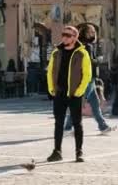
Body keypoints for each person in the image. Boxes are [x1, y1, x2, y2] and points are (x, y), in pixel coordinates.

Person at [45, 25, 92, 163]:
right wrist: (51, 89)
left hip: (74, 94)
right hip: (59, 93)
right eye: (63, 34)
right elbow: (50, 71)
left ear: (75, 37)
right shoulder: (56, 52)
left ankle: (79, 152)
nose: (64, 37)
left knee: (77, 123)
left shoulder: (82, 53)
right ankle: (57, 151)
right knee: (58, 123)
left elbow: (87, 74)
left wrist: (79, 91)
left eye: (68, 35)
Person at [64, 24, 115, 135]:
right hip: (87, 79)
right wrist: (99, 60)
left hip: (87, 78)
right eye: (92, 32)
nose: (94, 34)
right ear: (87, 33)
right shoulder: (87, 46)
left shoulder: (79, 45)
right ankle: (68, 127)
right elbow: (88, 62)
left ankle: (103, 126)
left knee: (95, 104)